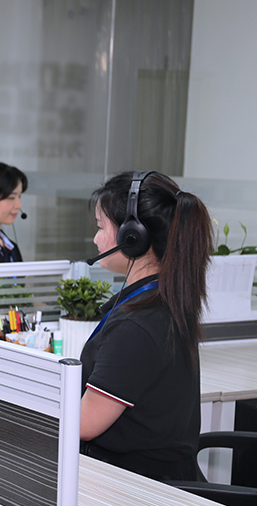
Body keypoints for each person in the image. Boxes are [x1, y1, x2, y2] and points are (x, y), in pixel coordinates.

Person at [80, 171, 210, 481]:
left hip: (135, 486)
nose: (96, 239)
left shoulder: (136, 325)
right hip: (153, 476)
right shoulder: (160, 301)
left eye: (100, 227)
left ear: (132, 236)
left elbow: (83, 425)